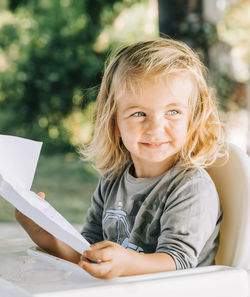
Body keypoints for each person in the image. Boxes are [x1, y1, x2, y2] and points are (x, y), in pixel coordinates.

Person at [15, 37, 227, 280]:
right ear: (114, 123)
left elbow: (178, 260)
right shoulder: (112, 180)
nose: (155, 127)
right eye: (139, 113)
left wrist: (125, 263)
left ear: (194, 119)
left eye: (173, 112)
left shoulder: (191, 187)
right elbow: (89, 252)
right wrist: (47, 235)